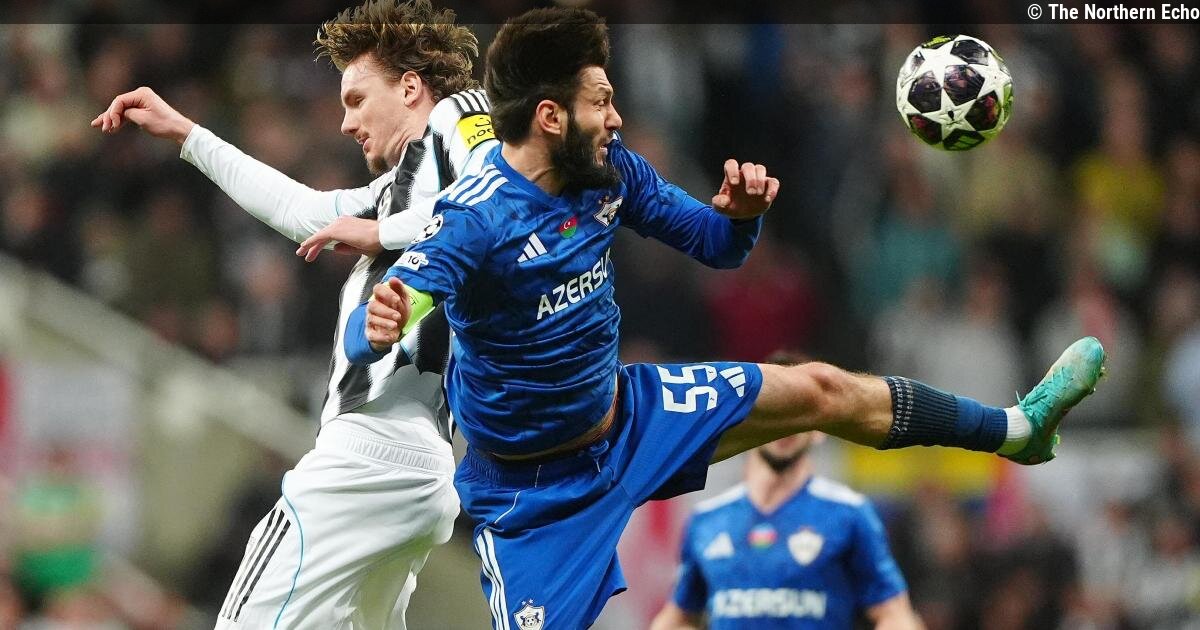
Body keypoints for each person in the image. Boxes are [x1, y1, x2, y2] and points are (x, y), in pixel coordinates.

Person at [351, 8, 1106, 628]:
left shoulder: (607, 172)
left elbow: (714, 246)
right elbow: (392, 307)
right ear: (550, 117)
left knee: (823, 390)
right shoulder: (477, 217)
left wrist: (739, 217)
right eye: (601, 102)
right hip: (533, 496)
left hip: (630, 417)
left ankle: (1018, 429)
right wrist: (384, 318)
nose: (616, 116)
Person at [91, 1, 497, 627]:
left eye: (357, 99)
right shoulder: (405, 189)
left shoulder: (459, 116)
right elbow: (304, 211)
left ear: (411, 87)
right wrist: (187, 135)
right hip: (421, 466)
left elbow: (493, 200)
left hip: (367, 456)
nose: (346, 123)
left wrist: (380, 233)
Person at [650, 432, 922, 629]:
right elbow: (678, 618)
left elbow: (894, 614)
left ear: (818, 430)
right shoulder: (707, 519)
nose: (786, 427)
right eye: (777, 417)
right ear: (751, 424)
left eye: (799, 416)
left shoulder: (850, 513)